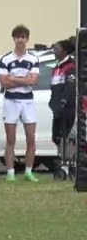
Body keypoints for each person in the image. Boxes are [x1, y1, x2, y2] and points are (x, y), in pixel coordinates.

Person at [0, 24, 40, 182]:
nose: (20, 40)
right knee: (10, 139)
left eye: (23, 37)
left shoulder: (33, 59)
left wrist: (13, 78)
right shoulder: (6, 59)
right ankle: (10, 173)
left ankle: (29, 172)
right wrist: (24, 80)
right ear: (14, 39)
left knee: (31, 138)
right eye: (17, 37)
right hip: (11, 101)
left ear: (27, 39)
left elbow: (33, 81)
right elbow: (3, 83)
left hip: (27, 101)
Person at [49, 37, 76, 179]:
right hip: (57, 108)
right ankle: (63, 162)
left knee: (66, 136)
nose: (54, 50)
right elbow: (54, 89)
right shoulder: (55, 68)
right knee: (57, 137)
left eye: (57, 48)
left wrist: (64, 102)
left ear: (64, 51)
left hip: (68, 108)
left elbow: (70, 88)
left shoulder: (71, 66)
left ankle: (67, 166)